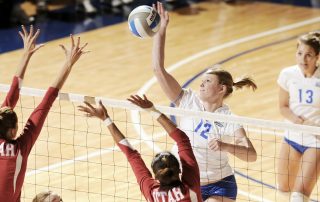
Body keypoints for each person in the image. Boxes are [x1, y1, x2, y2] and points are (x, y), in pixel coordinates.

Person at [151, 2, 257, 201]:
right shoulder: (187, 100)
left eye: (207, 81)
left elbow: (251, 155)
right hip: (186, 183)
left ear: (221, 89)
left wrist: (226, 146)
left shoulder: (228, 118)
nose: (201, 84)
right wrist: (160, 31)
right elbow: (158, 69)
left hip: (219, 185)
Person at [0, 29, 88, 201]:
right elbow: (46, 101)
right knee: (51, 199)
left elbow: (11, 97)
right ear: (12, 132)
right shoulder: (19, 149)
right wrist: (68, 63)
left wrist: (25, 55)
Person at [78, 94, 203, 201]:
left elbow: (132, 156)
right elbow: (183, 140)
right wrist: (152, 109)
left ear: (156, 177)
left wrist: (105, 119)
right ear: (179, 170)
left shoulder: (153, 194)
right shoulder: (190, 187)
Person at [277, 31, 320, 202]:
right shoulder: (288, 74)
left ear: (317, 56)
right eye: (300, 53)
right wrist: (298, 121)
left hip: (316, 141)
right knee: (284, 188)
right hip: (291, 136)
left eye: (308, 55)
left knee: (298, 197)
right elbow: (283, 106)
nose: (303, 59)